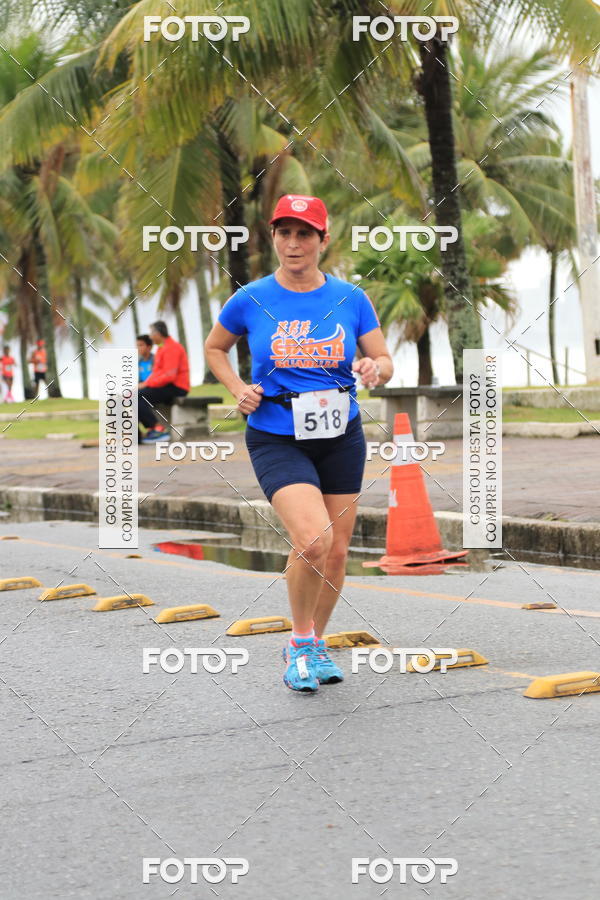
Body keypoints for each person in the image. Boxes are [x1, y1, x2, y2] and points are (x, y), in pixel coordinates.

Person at [204, 194, 393, 693]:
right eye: (284, 232)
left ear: (322, 240)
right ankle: (299, 643)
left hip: (341, 434)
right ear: (273, 238)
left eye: (304, 233)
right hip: (275, 434)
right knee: (312, 541)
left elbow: (383, 357)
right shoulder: (251, 297)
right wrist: (237, 389)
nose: (294, 243)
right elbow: (215, 347)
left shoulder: (351, 298)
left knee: (336, 552)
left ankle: (315, 645)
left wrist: (375, 368)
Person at [138, 321, 190, 443]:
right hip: (167, 386)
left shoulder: (172, 348)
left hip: (177, 387)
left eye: (151, 333)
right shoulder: (161, 348)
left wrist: (147, 384)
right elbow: (156, 373)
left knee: (138, 397)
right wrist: (143, 385)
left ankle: (158, 430)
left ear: (158, 333)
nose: (150, 337)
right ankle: (138, 435)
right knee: (132, 395)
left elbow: (169, 376)